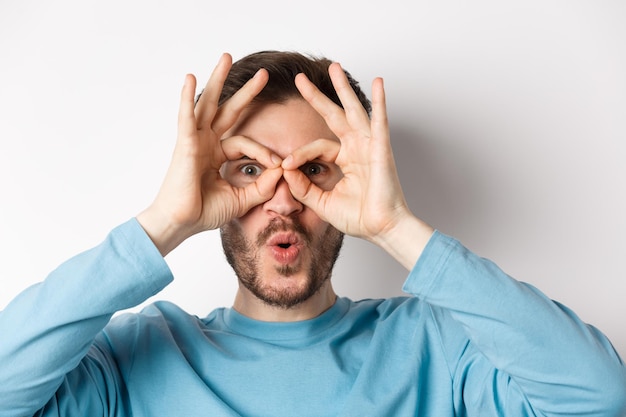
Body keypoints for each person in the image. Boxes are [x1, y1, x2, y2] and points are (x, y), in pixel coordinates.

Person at [0, 50, 624, 417]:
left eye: (314, 170)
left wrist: (395, 226)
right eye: (249, 169)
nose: (282, 200)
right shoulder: (135, 357)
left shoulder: (435, 345)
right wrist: (163, 224)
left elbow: (600, 399)